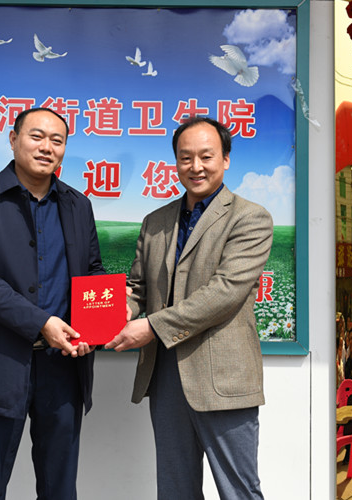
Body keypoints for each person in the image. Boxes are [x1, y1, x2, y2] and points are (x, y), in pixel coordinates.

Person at [0, 108, 104, 500]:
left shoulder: (78, 205)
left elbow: (93, 272)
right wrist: (42, 322)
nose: (47, 147)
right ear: (13, 139)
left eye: (57, 141)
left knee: (59, 486)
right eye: (36, 136)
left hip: (63, 365)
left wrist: (98, 324)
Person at [106, 116, 273, 499]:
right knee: (175, 490)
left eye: (206, 156)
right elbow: (138, 287)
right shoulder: (156, 222)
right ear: (176, 162)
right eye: (186, 158)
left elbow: (225, 292)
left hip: (223, 378)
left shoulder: (250, 218)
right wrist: (117, 312)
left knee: (239, 490)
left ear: (225, 159)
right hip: (166, 376)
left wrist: (151, 326)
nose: (195, 167)